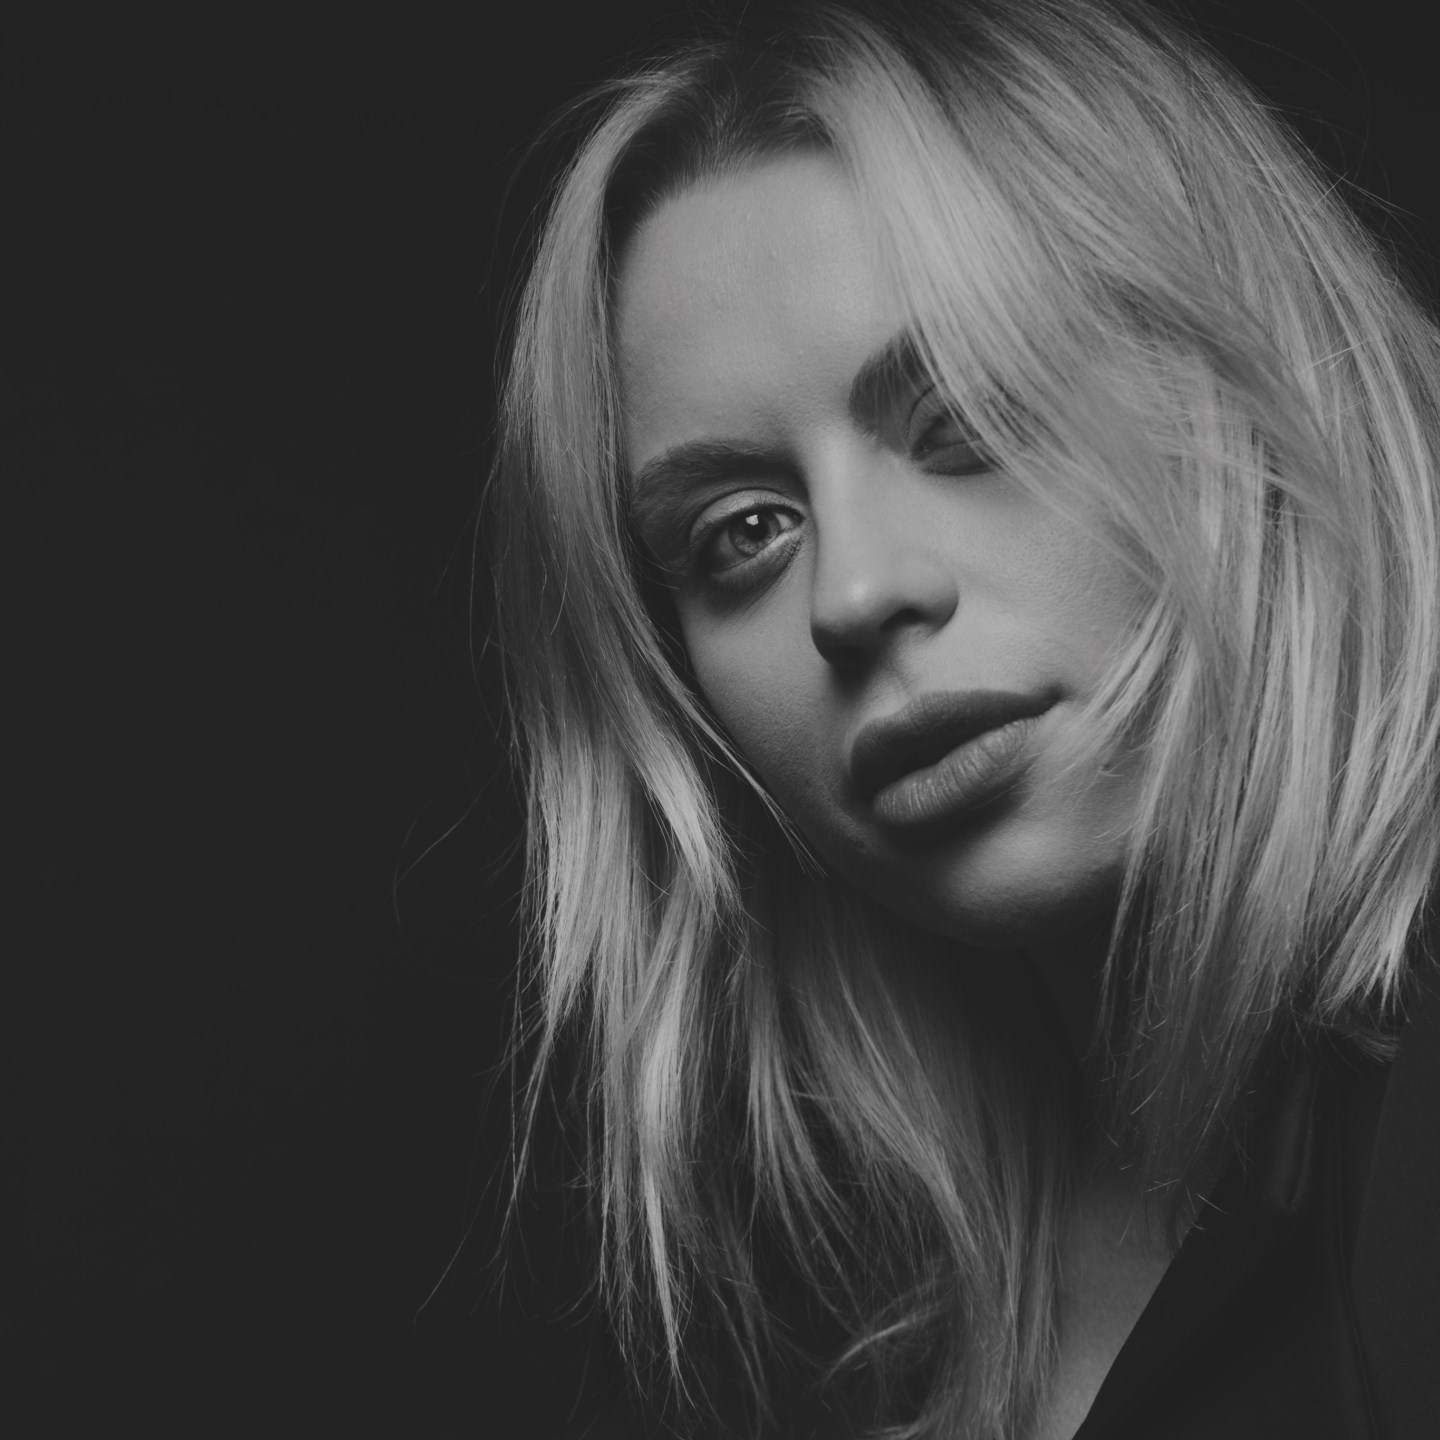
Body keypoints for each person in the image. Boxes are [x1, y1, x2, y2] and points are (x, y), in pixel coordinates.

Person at [484, 1, 1440, 1435]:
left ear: (1253, 389)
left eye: (967, 413)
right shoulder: (845, 1319)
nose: (854, 594)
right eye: (743, 529)